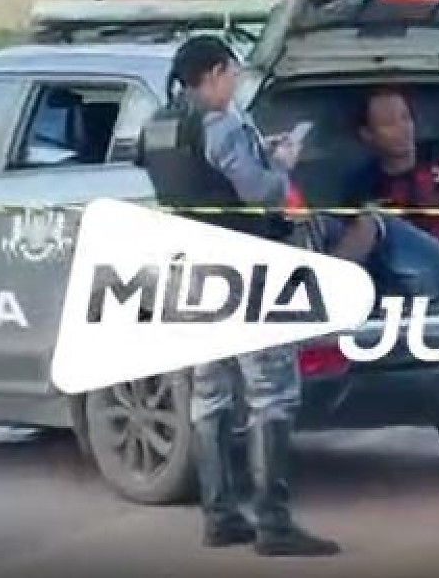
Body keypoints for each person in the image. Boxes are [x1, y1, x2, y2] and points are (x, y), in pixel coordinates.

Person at [137, 34, 339, 558]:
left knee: (210, 396)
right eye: (233, 72)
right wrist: (283, 162)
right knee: (272, 393)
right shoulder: (222, 122)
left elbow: (195, 178)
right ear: (216, 73)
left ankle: (220, 516)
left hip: (194, 271)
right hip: (245, 269)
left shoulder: (158, 124)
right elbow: (258, 192)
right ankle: (274, 524)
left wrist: (257, 152)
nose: (237, 82)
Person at [341, 86, 439, 294]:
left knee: (375, 219)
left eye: (406, 118)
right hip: (403, 278)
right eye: (389, 124)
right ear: (367, 135)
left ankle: (328, 283)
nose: (402, 128)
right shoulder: (365, 185)